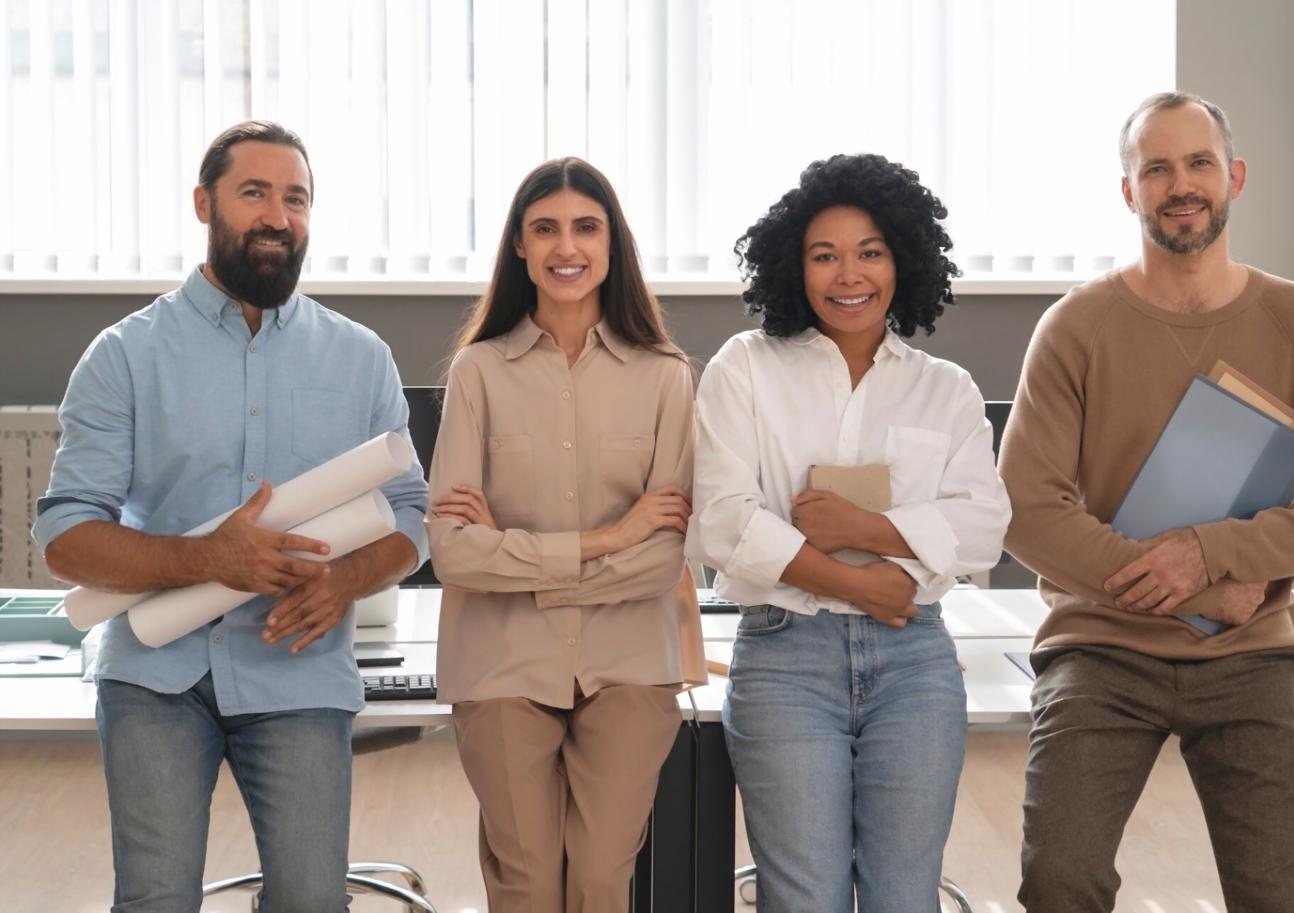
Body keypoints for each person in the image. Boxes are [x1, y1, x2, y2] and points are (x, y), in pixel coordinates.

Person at [999, 92, 1294, 912]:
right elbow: (1026, 510)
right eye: (1156, 169)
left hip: (1250, 654)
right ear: (1128, 191)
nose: (1180, 185)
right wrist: (1195, 587)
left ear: (1233, 177)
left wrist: (1213, 551)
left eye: (1198, 163)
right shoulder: (1074, 326)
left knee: (1283, 896)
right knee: (1058, 879)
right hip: (1100, 649)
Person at [32, 121, 429, 912]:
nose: (278, 216)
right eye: (255, 193)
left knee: (312, 900)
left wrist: (344, 580)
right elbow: (66, 538)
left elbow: (411, 517)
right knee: (154, 898)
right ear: (203, 203)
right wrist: (208, 559)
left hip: (297, 667)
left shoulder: (360, 358)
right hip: (156, 674)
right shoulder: (124, 355)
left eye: (296, 198)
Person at [686, 153, 1011, 912]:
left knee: (905, 897)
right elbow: (724, 520)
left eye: (870, 251)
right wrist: (863, 582)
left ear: (903, 260)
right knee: (805, 897)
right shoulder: (745, 368)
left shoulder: (946, 388)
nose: (848, 274)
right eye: (823, 255)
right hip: (784, 656)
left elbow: (984, 527)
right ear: (792, 267)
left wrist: (864, 527)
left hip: (914, 662)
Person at [426, 156, 704, 913]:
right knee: (526, 881)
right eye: (544, 229)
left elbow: (660, 564)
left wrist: (514, 556)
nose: (566, 247)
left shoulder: (665, 376)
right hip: (500, 663)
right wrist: (607, 537)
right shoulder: (478, 373)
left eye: (586, 227)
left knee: (599, 879)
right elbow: (452, 552)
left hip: (629, 663)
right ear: (520, 245)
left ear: (613, 243)